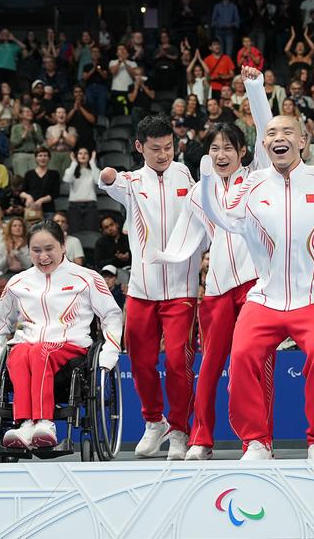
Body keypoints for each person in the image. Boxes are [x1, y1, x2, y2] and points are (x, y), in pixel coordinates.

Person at [198, 72, 314, 461]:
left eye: (287, 132)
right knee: (241, 358)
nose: (278, 138)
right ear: (263, 145)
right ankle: (256, 440)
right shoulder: (252, 184)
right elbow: (226, 218)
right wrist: (206, 185)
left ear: (302, 142)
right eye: (270, 134)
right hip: (265, 297)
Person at [149, 66, 271, 460]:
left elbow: (267, 131)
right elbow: (185, 237)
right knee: (209, 368)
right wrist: (163, 256)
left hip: (254, 286)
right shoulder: (199, 192)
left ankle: (258, 440)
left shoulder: (257, 178)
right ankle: (201, 438)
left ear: (242, 153)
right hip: (216, 289)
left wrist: (254, 87)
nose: (221, 155)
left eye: (228, 149)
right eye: (214, 149)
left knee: (252, 366)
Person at [97, 114, 201, 460]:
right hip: (142, 290)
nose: (163, 154)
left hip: (182, 289)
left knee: (178, 361)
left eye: (168, 147)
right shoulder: (132, 182)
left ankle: (179, 430)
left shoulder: (186, 175)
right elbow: (110, 181)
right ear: (140, 147)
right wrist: (106, 176)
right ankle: (154, 422)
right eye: (155, 148)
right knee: (141, 362)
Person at [0, 220, 122, 449]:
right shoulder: (18, 282)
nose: (43, 257)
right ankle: (25, 424)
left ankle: (45, 422)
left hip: (71, 348)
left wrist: (110, 352)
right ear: (28, 250)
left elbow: (111, 315)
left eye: (49, 249)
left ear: (63, 245)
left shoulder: (87, 278)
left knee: (39, 351)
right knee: (19, 353)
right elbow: (0, 322)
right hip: (29, 347)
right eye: (36, 250)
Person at [63, 147, 101, 233]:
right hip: (74, 206)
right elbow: (67, 179)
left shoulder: (94, 170)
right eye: (80, 153)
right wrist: (73, 162)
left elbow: (98, 181)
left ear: (89, 156)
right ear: (76, 155)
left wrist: (92, 162)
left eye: (85, 153)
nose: (83, 155)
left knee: (92, 232)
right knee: (74, 232)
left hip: (91, 206)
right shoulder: (70, 170)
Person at [21, 146, 60, 216]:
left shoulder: (54, 174)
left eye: (45, 156)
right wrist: (28, 197)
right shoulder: (29, 174)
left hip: (48, 210)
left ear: (49, 158)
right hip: (32, 210)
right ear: (36, 158)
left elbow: (55, 193)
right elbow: (22, 192)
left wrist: (41, 201)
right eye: (40, 156)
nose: (43, 158)